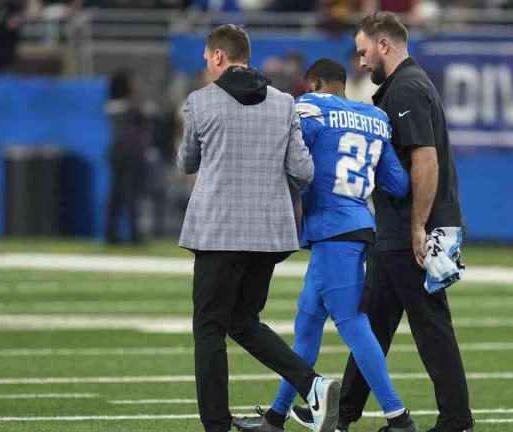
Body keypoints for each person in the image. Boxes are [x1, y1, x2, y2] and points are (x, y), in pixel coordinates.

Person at [291, 12, 475, 432]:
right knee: (373, 318)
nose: (360, 62)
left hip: (411, 227)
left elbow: (425, 160)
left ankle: (456, 419)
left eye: (363, 51)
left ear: (384, 45)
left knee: (429, 323)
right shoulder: (406, 84)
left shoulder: (406, 88)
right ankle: (343, 412)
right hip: (398, 226)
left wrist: (417, 227)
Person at [232, 58, 417, 432]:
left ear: (313, 82)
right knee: (308, 324)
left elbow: (291, 158)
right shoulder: (374, 116)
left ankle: (399, 419)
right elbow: (397, 184)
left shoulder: (310, 107)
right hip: (350, 227)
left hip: (334, 230)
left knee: (351, 322)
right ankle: (276, 417)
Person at [176, 24, 340, 432]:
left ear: (217, 57)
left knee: (210, 328)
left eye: (206, 58)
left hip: (217, 231)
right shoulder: (285, 102)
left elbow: (186, 163)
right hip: (268, 233)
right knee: (243, 321)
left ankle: (216, 424)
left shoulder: (201, 102)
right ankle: (312, 384)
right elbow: (303, 170)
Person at [105, 70, 147, 245]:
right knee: (128, 196)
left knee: (117, 195)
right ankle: (133, 234)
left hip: (117, 154)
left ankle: (112, 234)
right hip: (128, 155)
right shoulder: (130, 109)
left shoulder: (112, 107)